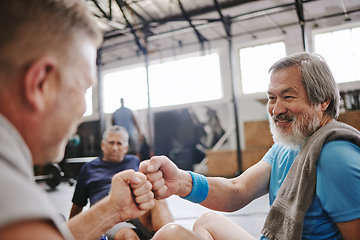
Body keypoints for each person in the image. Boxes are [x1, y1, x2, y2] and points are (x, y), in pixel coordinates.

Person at [139, 52, 360, 240]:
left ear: (324, 101)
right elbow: (238, 190)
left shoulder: (334, 156)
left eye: (288, 97)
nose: (276, 109)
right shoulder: (289, 146)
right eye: (272, 98)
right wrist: (180, 181)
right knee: (206, 220)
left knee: (171, 235)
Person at [0, 1, 155, 239]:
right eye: (84, 89)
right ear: (41, 84)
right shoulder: (16, 207)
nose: (84, 110)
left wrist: (113, 209)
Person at [70, 126, 173, 240]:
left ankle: (170, 235)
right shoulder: (89, 168)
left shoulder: (133, 161)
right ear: (103, 145)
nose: (114, 148)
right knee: (128, 236)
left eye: (119, 144)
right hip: (109, 215)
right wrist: (67, 235)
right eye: (111, 143)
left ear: (125, 148)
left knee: (159, 201)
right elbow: (77, 204)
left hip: (135, 209)